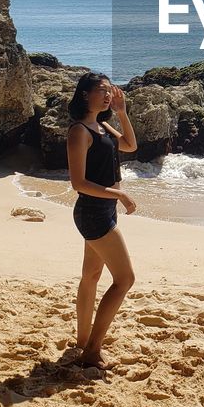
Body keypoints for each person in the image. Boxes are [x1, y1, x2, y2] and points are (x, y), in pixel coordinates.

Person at [65, 72, 138, 369]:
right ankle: (92, 351)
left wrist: (122, 113)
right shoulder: (79, 131)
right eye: (101, 90)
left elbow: (131, 146)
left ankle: (83, 340)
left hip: (102, 211)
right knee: (125, 279)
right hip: (94, 213)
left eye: (110, 91)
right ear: (85, 94)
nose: (108, 95)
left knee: (91, 277)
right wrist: (119, 195)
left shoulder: (103, 125)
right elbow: (78, 182)